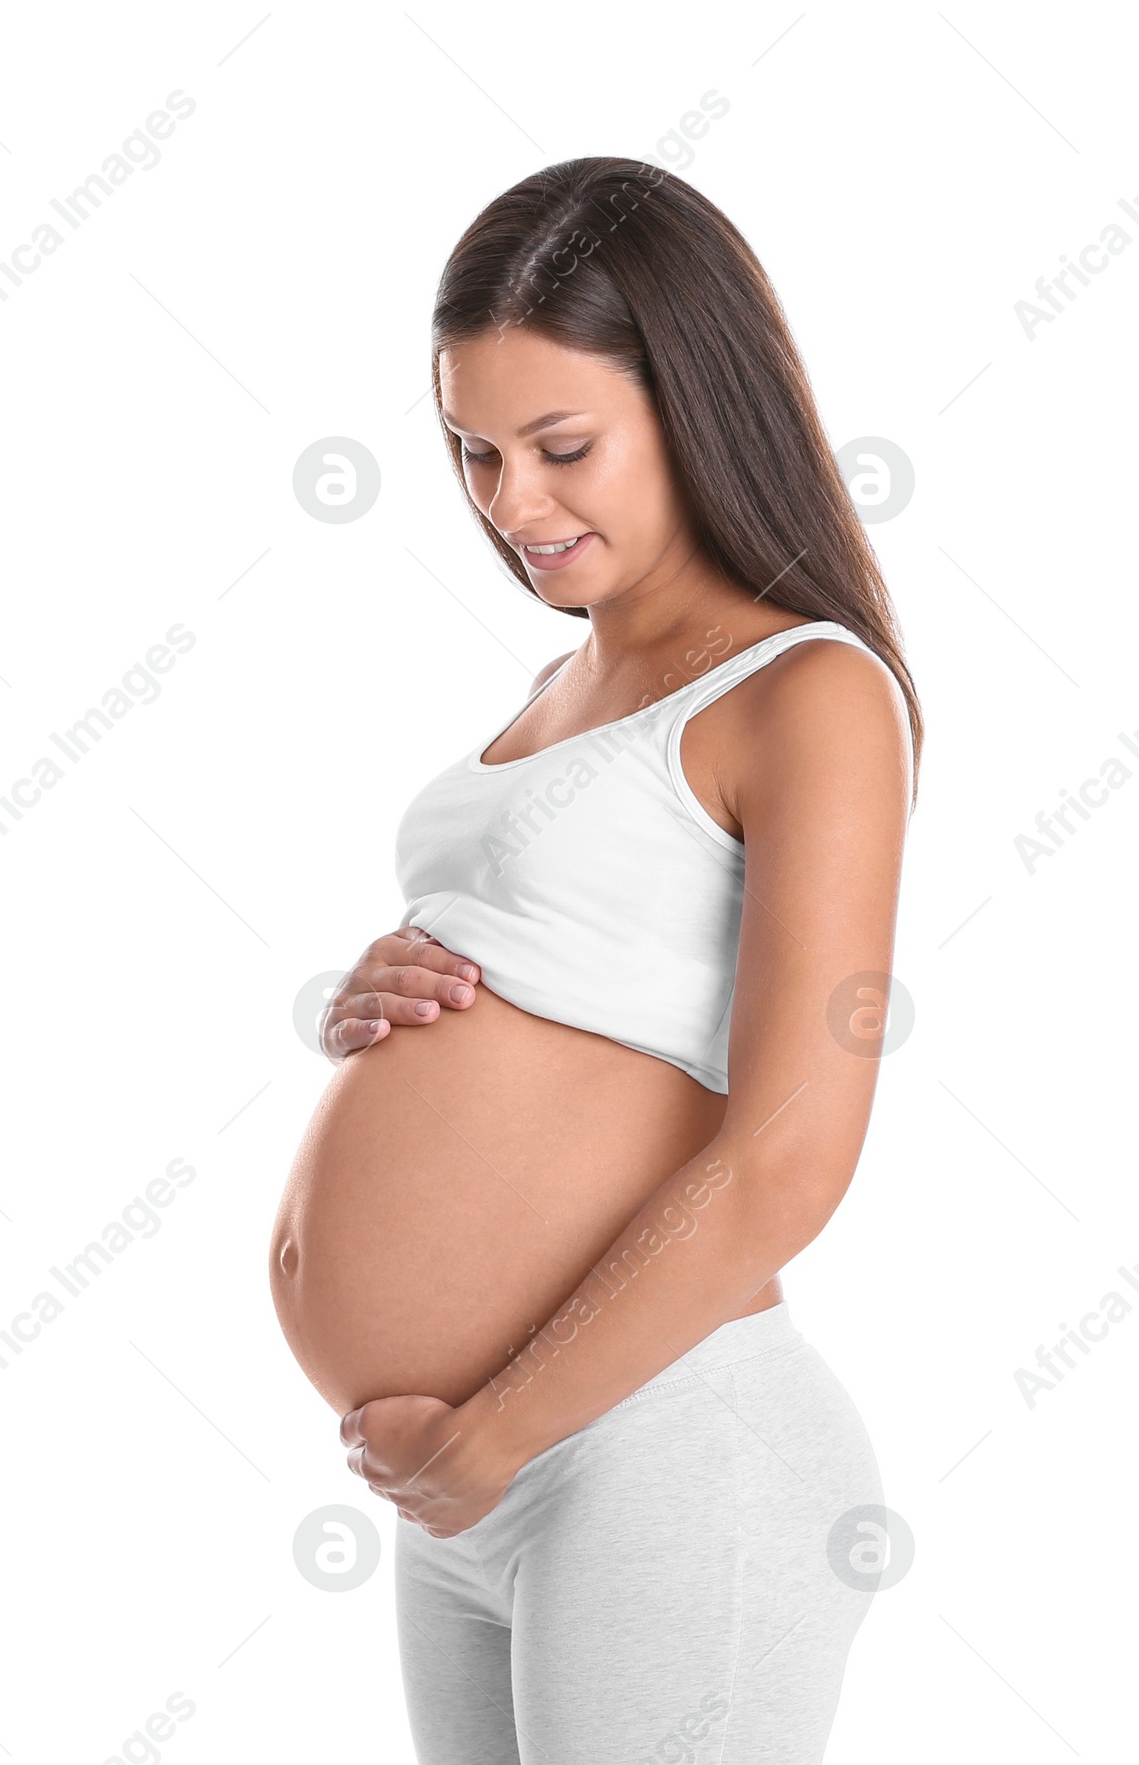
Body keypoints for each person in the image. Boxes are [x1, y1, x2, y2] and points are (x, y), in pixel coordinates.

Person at [270, 155, 920, 1763]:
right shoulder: (568, 681)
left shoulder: (804, 691)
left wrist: (494, 1430)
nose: (510, 502)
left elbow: (790, 1153)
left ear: (697, 402)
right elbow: (588, 980)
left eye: (563, 448)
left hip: (657, 1445)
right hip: (466, 1483)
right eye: (476, 451)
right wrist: (392, 994)